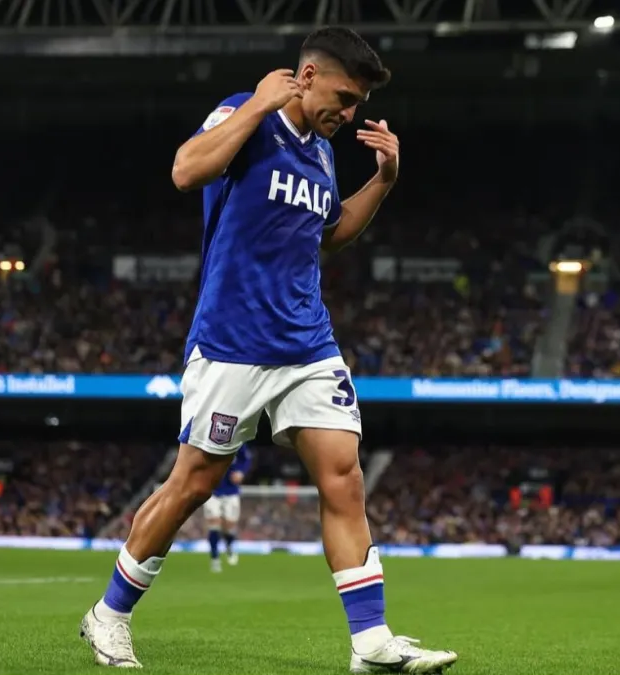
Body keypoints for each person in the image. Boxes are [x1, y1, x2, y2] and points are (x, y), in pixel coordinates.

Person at [79, 26, 457, 674]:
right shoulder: (241, 113)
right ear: (305, 76)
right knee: (193, 483)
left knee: (343, 474)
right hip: (233, 340)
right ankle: (108, 615)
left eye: (358, 104)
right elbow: (185, 170)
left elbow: (330, 233)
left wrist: (385, 181)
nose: (349, 112)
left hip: (307, 343)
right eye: (342, 95)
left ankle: (370, 643)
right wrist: (256, 104)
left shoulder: (322, 155)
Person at [205, 443, 250, 572]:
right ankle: (214, 557)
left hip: (231, 491)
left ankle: (229, 546)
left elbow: (246, 459)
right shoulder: (210, 441)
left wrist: (241, 472)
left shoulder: (238, 442)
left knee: (229, 527)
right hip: (213, 490)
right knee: (214, 523)